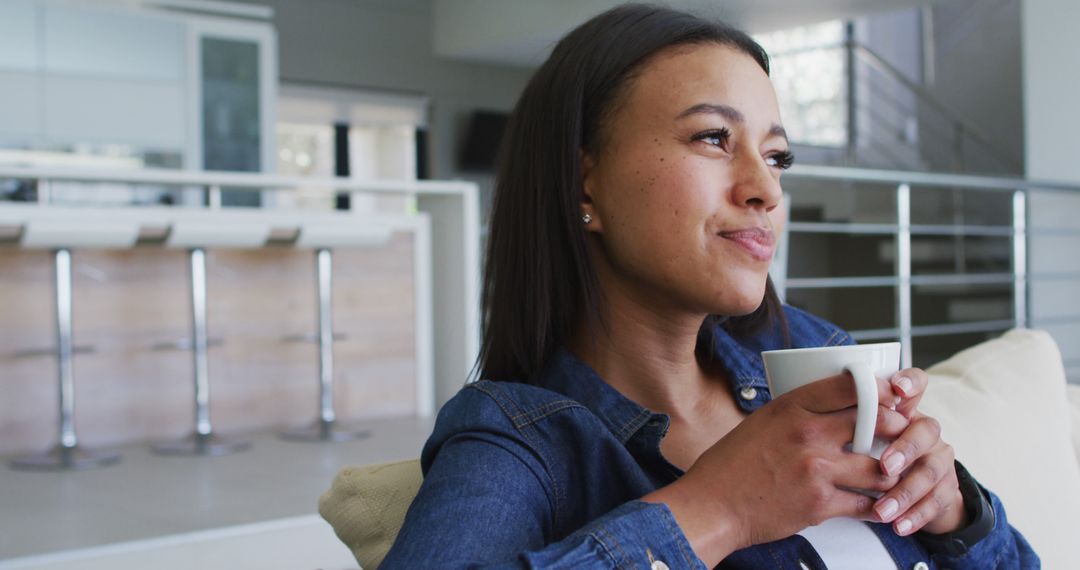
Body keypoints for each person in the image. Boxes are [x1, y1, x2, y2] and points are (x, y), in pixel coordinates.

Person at [382, 4, 1038, 568]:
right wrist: (718, 509)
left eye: (777, 155)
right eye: (713, 138)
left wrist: (956, 509)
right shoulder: (518, 438)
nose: (766, 188)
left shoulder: (812, 352)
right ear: (586, 183)